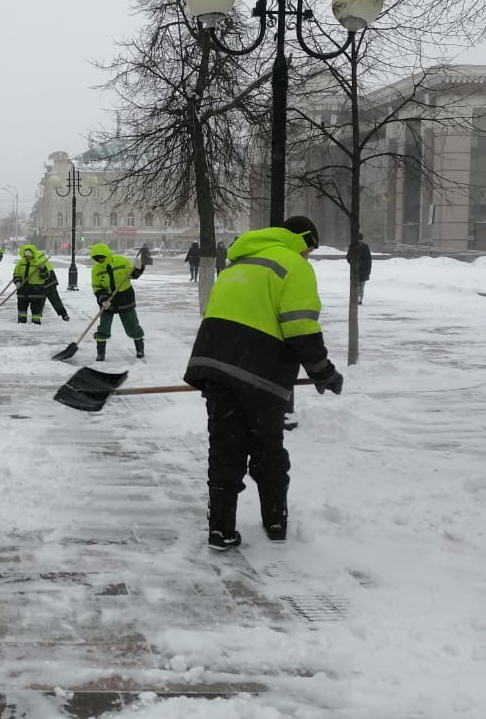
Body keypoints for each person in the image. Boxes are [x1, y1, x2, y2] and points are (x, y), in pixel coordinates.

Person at [183, 216, 343, 551]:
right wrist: (323, 372)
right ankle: (275, 522)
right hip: (259, 372)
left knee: (225, 450)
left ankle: (220, 530)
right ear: (303, 241)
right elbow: (300, 327)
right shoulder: (292, 266)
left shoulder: (237, 265)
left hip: (213, 363)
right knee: (267, 449)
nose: (308, 257)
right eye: (309, 250)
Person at [89, 242, 145, 360]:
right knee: (103, 328)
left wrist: (139, 268)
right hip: (108, 300)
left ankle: (140, 349)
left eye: (102, 256)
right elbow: (97, 287)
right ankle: (101, 353)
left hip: (125, 297)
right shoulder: (96, 270)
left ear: (107, 254)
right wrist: (103, 299)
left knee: (132, 326)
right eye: (97, 258)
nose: (100, 259)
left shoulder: (121, 261)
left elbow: (133, 275)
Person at [12, 245, 51, 324]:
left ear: (33, 254)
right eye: (26, 256)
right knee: (21, 307)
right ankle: (22, 320)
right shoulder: (20, 263)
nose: (28, 257)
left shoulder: (39, 263)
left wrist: (42, 268)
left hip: (36, 291)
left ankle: (36, 321)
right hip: (23, 290)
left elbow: (46, 276)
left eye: (29, 255)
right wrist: (17, 282)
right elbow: (16, 273)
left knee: (36, 309)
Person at [36, 246, 69, 321]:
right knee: (52, 299)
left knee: (49, 299)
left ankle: (38, 315)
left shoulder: (34, 258)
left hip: (47, 280)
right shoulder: (38, 254)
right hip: (49, 279)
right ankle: (64, 314)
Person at [346, 233, 373, 305]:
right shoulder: (364, 247)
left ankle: (357, 298)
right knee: (360, 286)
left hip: (358, 270)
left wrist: (353, 263)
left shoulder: (353, 247)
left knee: (357, 285)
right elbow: (369, 260)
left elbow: (348, 257)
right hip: (362, 270)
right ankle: (359, 298)